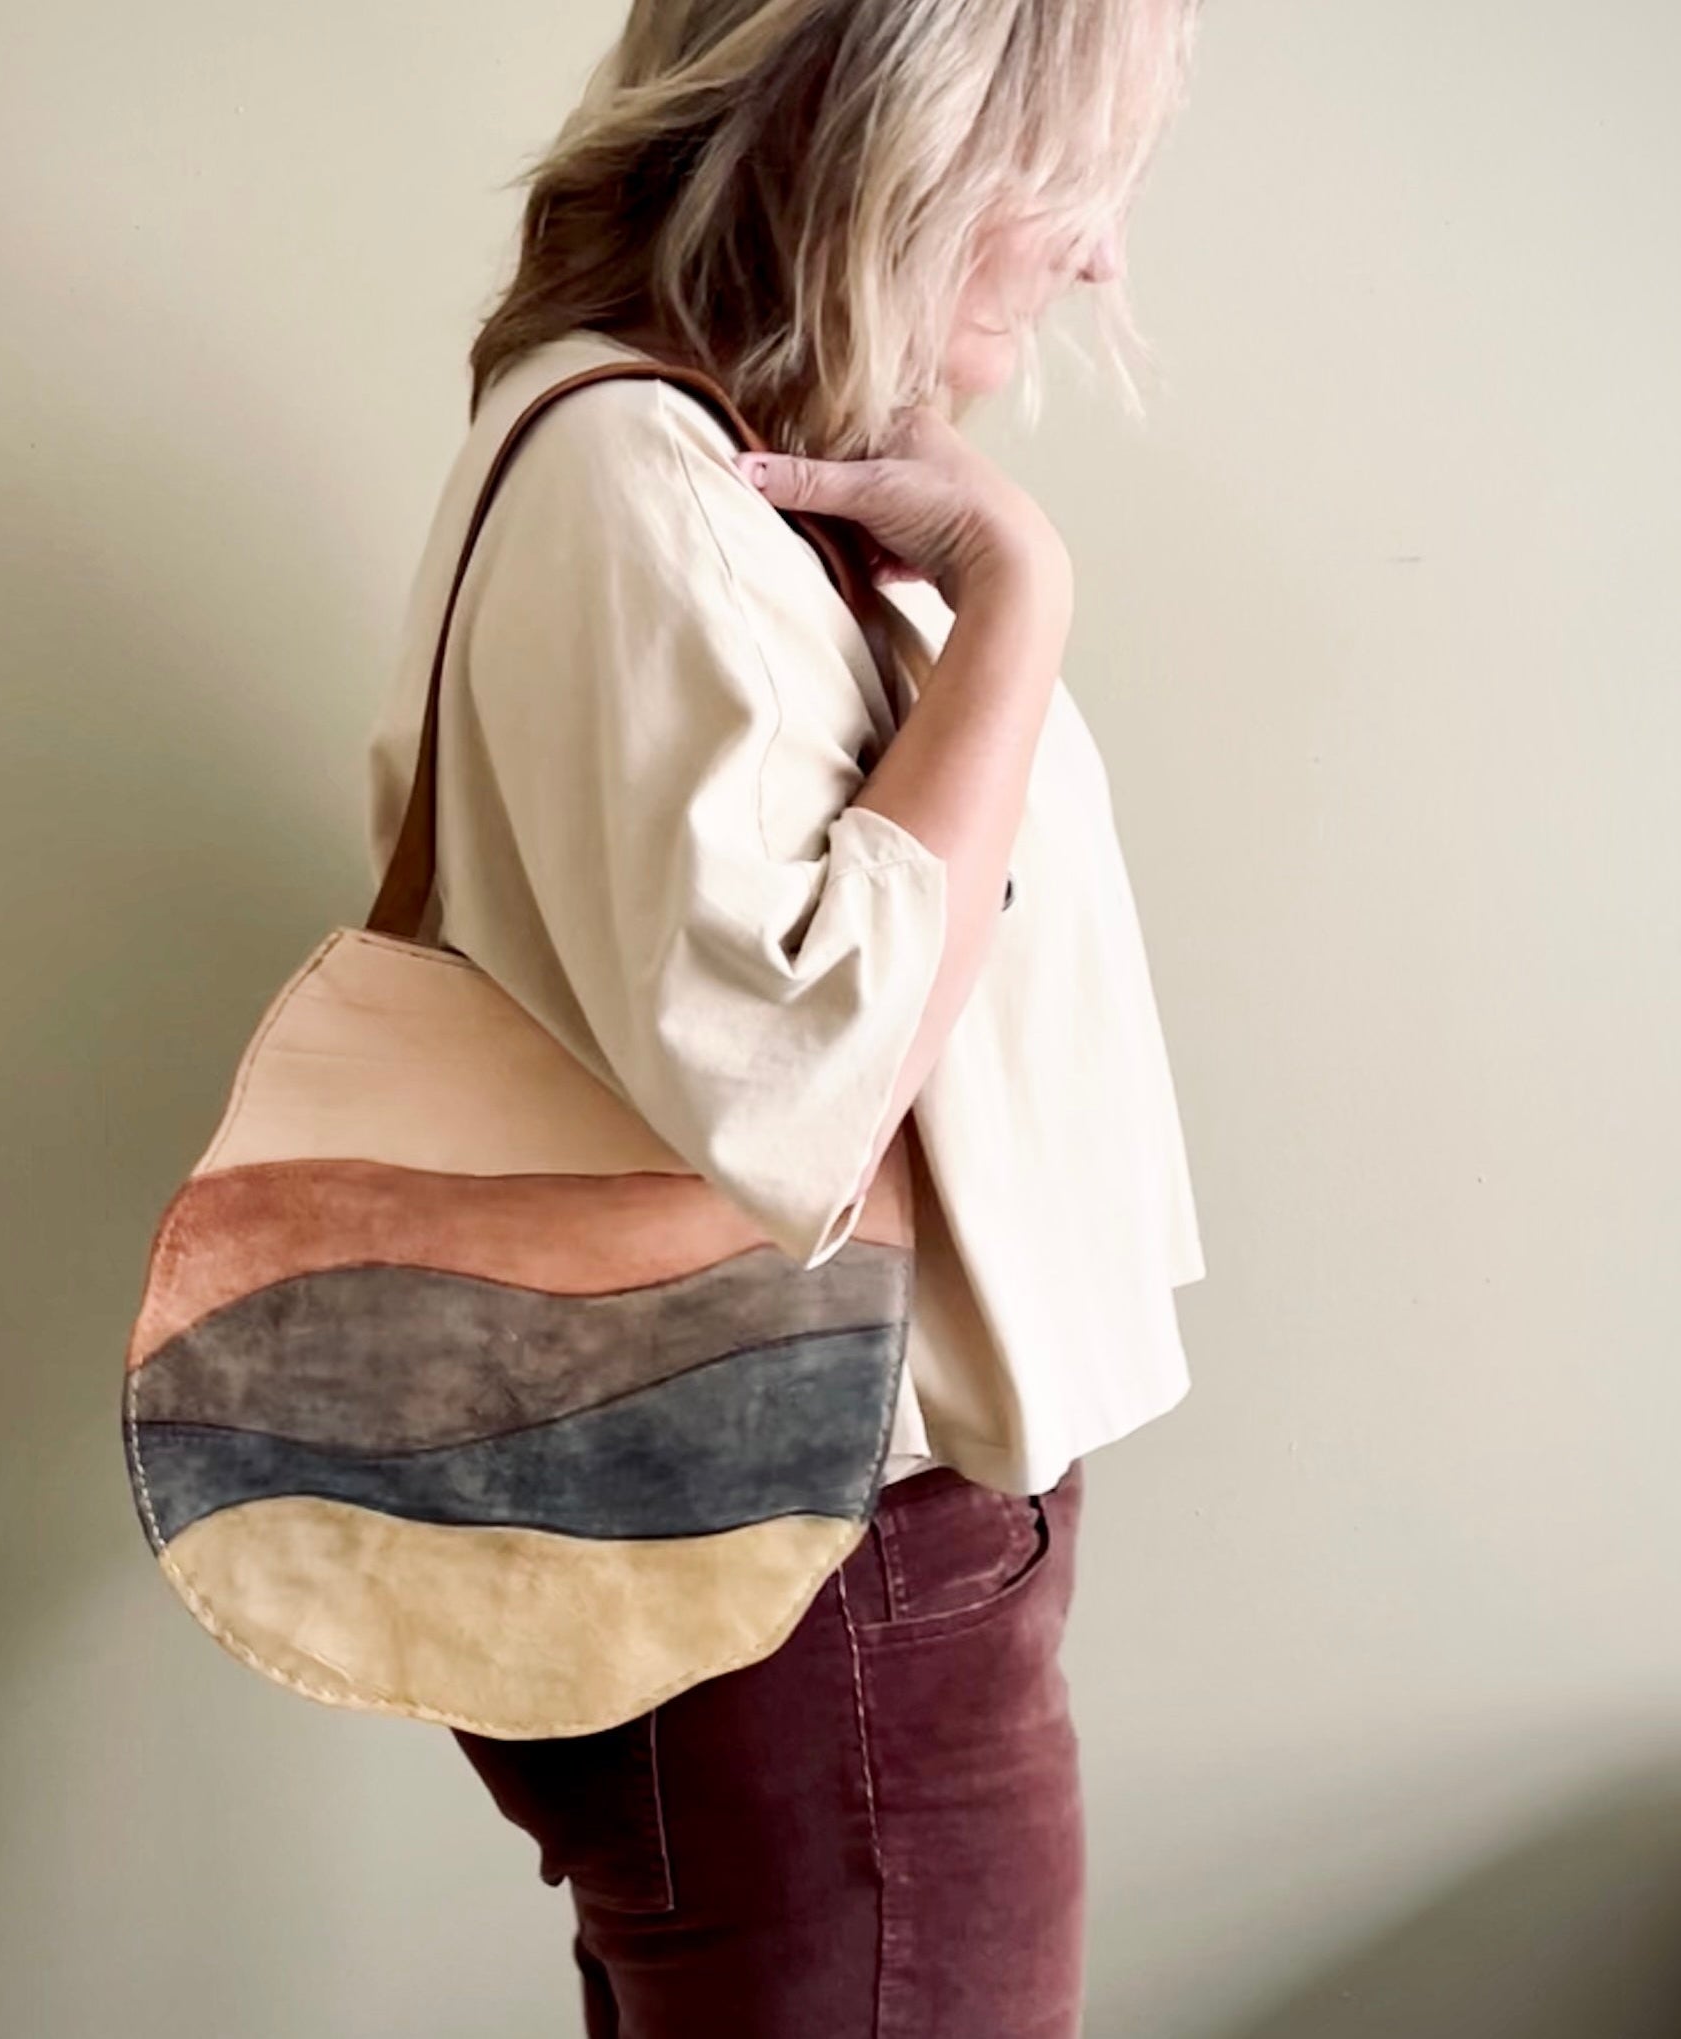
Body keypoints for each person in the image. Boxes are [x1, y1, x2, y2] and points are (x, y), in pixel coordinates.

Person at [362, 2, 1207, 2032]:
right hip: (825, 1575)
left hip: (837, 1550)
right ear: (895, 142)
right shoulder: (638, 483)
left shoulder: (735, 487)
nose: (1098, 253)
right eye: (1064, 177)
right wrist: (1016, 604)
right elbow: (804, 1083)